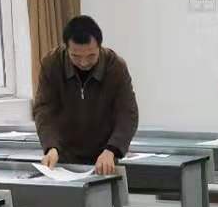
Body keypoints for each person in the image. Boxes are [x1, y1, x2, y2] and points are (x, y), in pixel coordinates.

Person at [32, 15, 139, 176]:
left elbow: (127, 113)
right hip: (64, 154)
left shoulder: (115, 66)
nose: (83, 63)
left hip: (104, 155)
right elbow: (44, 110)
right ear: (66, 47)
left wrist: (112, 149)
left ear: (99, 47)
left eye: (91, 56)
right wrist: (51, 147)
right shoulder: (52, 64)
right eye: (75, 56)